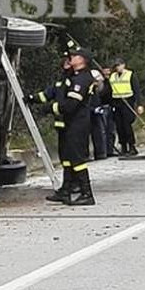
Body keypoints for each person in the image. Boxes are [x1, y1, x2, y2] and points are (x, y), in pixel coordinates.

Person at [28, 55, 77, 202]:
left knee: (73, 157)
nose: (67, 63)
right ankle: (66, 187)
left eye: (69, 61)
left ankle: (74, 185)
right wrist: (32, 98)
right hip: (62, 125)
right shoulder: (60, 81)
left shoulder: (75, 80)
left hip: (73, 125)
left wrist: (50, 108)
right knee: (65, 157)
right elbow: (48, 94)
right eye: (65, 61)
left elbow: (69, 104)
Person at [54, 47, 97, 205]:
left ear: (82, 60)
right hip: (70, 123)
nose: (71, 57)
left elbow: (71, 105)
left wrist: (53, 108)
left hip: (78, 123)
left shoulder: (82, 78)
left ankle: (87, 194)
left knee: (77, 159)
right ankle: (66, 189)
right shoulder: (75, 76)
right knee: (68, 157)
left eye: (75, 55)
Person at [108, 58, 143, 156]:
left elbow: (136, 90)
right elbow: (109, 89)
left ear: (123, 65)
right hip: (116, 102)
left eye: (119, 65)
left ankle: (132, 146)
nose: (117, 68)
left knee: (127, 125)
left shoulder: (130, 75)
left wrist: (139, 104)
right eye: (116, 66)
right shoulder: (113, 76)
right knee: (119, 126)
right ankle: (123, 146)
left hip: (127, 101)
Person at [89, 68, 109, 160]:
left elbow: (104, 93)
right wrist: (93, 109)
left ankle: (100, 153)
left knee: (99, 133)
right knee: (86, 134)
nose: (98, 83)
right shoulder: (88, 89)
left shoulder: (97, 89)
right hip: (88, 113)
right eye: (97, 81)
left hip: (97, 112)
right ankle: (87, 154)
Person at [99, 67, 117, 157]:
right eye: (105, 71)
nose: (107, 73)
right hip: (103, 107)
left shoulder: (113, 80)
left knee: (111, 130)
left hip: (111, 107)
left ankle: (110, 150)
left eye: (108, 71)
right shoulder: (100, 82)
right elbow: (101, 93)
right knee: (103, 130)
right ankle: (103, 151)